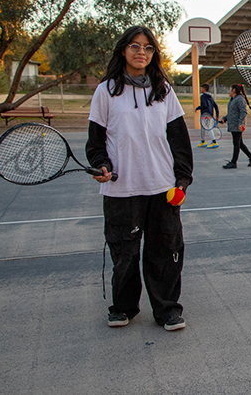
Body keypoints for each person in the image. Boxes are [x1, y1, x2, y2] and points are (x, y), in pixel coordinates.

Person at [86, 25, 193, 332]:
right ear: (123, 50)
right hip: (121, 188)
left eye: (148, 48)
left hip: (163, 187)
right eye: (135, 46)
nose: (141, 53)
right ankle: (123, 307)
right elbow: (96, 142)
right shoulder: (106, 90)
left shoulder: (164, 90)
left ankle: (167, 310)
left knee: (166, 252)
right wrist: (100, 165)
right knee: (124, 254)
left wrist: (182, 180)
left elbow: (179, 140)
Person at [221, 83, 251, 169]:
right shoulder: (232, 99)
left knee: (236, 143)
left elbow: (244, 112)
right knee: (239, 143)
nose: (229, 91)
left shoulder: (240, 99)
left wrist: (241, 123)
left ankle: (234, 162)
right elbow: (231, 112)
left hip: (237, 125)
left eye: (230, 89)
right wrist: (225, 118)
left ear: (234, 90)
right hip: (233, 125)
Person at [195, 83, 220, 148]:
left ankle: (214, 141)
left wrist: (198, 108)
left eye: (201, 88)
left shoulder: (203, 96)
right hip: (210, 115)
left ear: (204, 89)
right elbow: (215, 106)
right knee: (203, 128)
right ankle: (203, 141)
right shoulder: (210, 97)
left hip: (205, 114)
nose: (201, 89)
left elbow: (204, 105)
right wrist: (217, 115)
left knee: (208, 128)